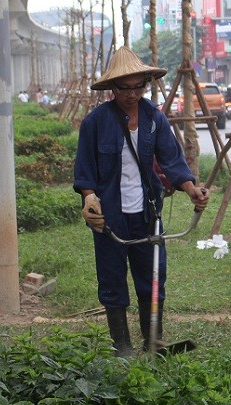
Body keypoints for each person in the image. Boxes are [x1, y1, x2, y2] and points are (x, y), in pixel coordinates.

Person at [73, 46, 209, 357]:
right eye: (125, 88)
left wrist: (191, 190)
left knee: (153, 277)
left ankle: (154, 340)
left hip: (147, 211)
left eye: (138, 87)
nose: (132, 94)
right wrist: (89, 197)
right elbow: (85, 170)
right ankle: (122, 346)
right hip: (110, 214)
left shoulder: (154, 120)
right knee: (112, 279)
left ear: (145, 84)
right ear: (112, 88)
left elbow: (172, 160)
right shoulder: (96, 122)